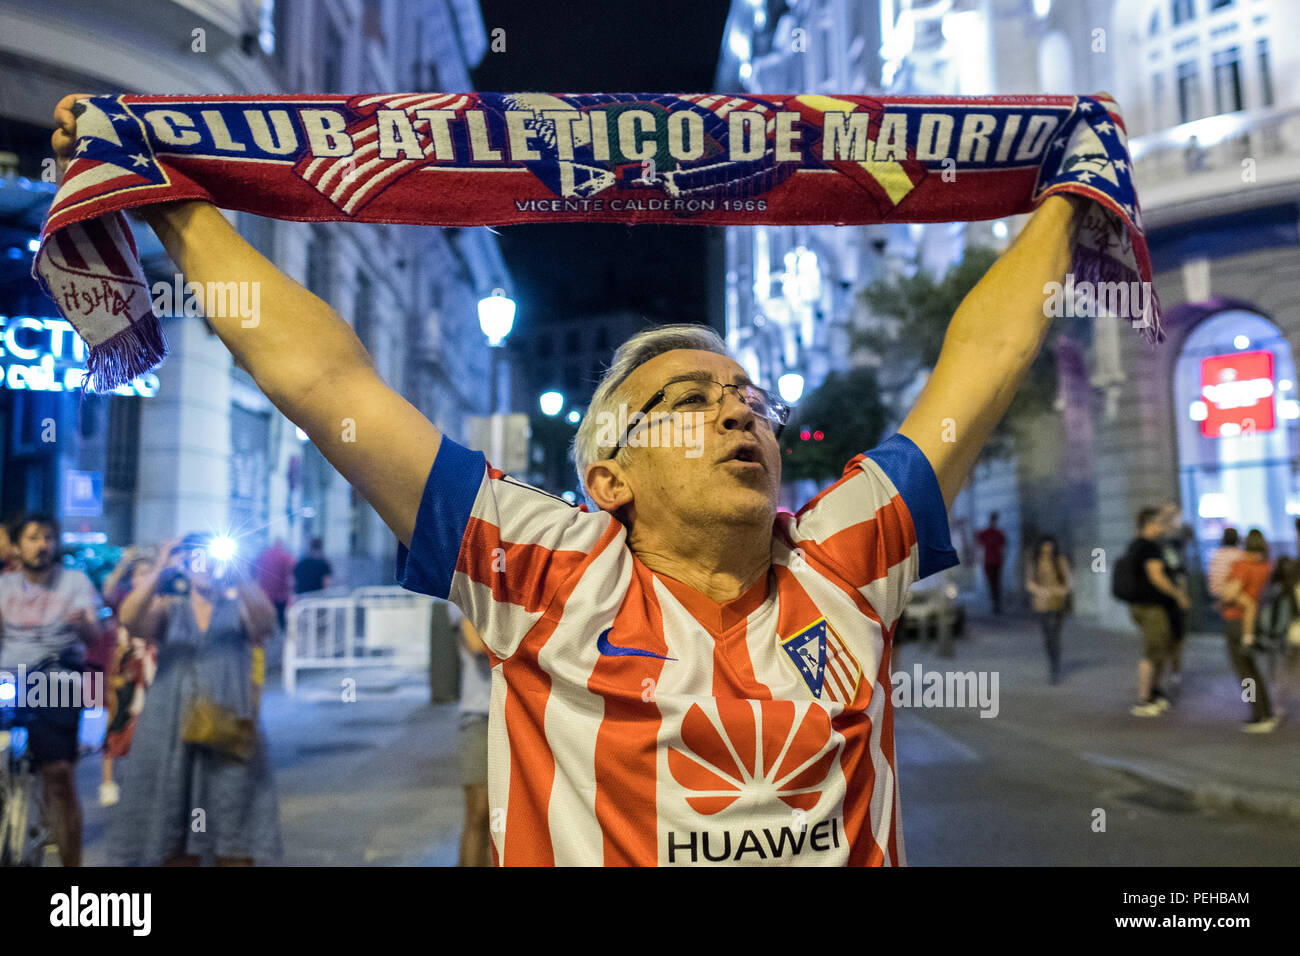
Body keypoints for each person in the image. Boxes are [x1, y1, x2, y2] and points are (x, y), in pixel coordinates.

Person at [53, 94, 1087, 866]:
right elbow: (328, 378)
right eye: (691, 398)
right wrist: (162, 200)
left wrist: (1072, 188)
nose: (738, 411)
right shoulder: (541, 566)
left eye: (751, 400)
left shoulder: (848, 552)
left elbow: (984, 358)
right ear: (608, 475)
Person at [109, 533, 283, 865]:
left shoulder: (237, 608)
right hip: (169, 733)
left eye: (211, 556)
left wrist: (240, 573)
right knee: (173, 836)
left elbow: (265, 621)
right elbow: (129, 619)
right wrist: (162, 565)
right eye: (195, 558)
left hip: (228, 733)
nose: (204, 565)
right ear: (185, 564)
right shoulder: (168, 609)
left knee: (235, 837)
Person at [0, 512, 104, 866]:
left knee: (59, 774)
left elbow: (94, 638)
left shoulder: (74, 581)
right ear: (15, 546)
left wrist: (85, 623)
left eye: (47, 537)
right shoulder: (4, 586)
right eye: (32, 537)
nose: (42, 545)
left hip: (58, 678)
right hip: (9, 679)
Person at [98, 549, 159, 807]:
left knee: (150, 726)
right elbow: (107, 590)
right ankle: (108, 781)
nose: (139, 578)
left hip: (152, 669)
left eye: (146, 573)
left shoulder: (161, 601)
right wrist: (125, 563)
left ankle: (149, 782)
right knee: (117, 721)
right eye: (137, 574)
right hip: (124, 672)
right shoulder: (124, 598)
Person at [1126, 507, 1190, 717]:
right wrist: (1178, 595)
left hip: (1145, 607)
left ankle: (1154, 692)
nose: (1162, 527)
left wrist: (1168, 512)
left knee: (1160, 650)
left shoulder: (1137, 545)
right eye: (1159, 523)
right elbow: (1156, 577)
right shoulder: (1149, 548)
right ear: (1149, 525)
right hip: (1151, 607)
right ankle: (1144, 700)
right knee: (1153, 651)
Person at [1220, 529, 1277, 733]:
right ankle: (1266, 712)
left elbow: (1231, 593)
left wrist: (1226, 597)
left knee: (1244, 673)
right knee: (1253, 670)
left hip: (1237, 622)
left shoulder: (1242, 566)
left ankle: (1257, 715)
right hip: (1254, 623)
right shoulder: (1265, 565)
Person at [456, 614, 492, 867]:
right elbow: (477, 644)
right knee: (479, 813)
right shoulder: (475, 605)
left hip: (524, 718)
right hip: (482, 718)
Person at [1025, 535, 1072, 684]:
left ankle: (1055, 666)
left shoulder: (1060, 560)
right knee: (1048, 636)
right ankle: (1053, 666)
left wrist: (1062, 590)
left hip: (1058, 602)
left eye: (1050, 545)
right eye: (1045, 546)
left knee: (1055, 636)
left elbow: (1069, 581)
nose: (1047, 549)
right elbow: (1029, 583)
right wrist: (1039, 591)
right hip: (1042, 602)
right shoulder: (1035, 562)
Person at [1158, 504, 1190, 697]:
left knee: (1178, 637)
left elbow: (1182, 533)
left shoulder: (1177, 541)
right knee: (1166, 636)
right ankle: (1167, 671)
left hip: (1176, 595)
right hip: (1165, 596)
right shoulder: (1159, 542)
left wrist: (1182, 595)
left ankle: (1175, 670)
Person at [252, 538, 295, 631]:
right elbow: (292, 574)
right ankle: (282, 641)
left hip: (264, 594)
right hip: (281, 595)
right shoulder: (286, 556)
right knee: (282, 622)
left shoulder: (263, 555)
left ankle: (264, 641)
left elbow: (255, 571)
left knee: (265, 621)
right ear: (282, 544)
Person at [976, 512, 1007, 615]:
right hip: (991, 561)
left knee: (994, 584)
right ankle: (994, 603)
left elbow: (1003, 547)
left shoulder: (996, 533)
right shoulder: (992, 533)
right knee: (994, 584)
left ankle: (995, 603)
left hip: (993, 561)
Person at [1206, 527, 1245, 608]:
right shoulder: (1239, 555)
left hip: (1214, 593)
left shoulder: (1216, 554)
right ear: (1238, 539)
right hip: (1228, 593)